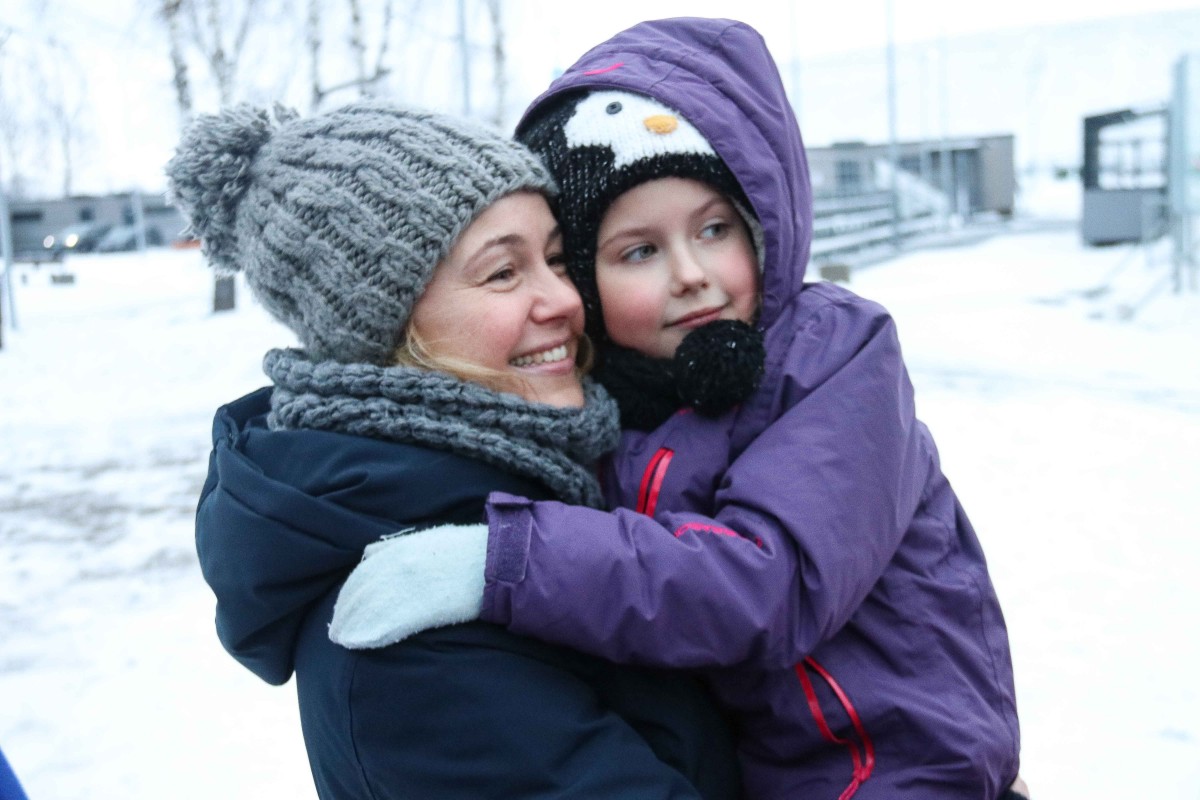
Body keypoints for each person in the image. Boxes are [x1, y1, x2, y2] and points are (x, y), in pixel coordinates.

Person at [328, 18, 1028, 800]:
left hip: (901, 768)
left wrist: (505, 563)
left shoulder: (831, 357)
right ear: (588, 283)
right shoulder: (609, 408)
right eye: (639, 251)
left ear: (761, 226)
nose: (692, 274)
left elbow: (772, 583)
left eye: (715, 229)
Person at [168, 101, 740, 799]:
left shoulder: (534, 485)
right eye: (503, 273)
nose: (563, 298)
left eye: (556, 259)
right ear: (389, 328)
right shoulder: (409, 630)